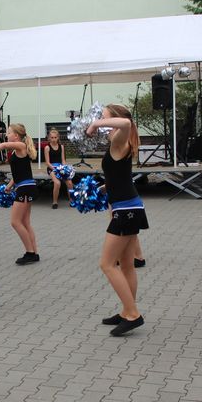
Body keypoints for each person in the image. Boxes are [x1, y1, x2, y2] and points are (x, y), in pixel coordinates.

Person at [87, 104, 147, 336]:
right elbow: (119, 175)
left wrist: (95, 124)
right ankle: (126, 311)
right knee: (127, 265)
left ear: (114, 119)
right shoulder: (119, 141)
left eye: (104, 118)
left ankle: (133, 314)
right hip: (130, 206)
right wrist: (103, 188)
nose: (101, 121)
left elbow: (126, 122)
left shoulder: (120, 138)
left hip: (125, 210)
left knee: (107, 264)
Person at [0, 124, 40, 265]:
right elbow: (19, 173)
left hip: (25, 189)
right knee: (25, 222)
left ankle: (30, 253)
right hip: (24, 187)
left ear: (16, 136)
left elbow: (4, 145)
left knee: (15, 222)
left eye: (9, 132)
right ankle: (34, 253)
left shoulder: (21, 146)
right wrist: (9, 186)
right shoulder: (17, 151)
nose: (6, 135)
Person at [44, 129, 73, 209]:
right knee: (57, 183)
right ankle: (55, 202)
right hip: (51, 167)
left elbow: (63, 160)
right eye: (52, 138)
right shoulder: (47, 147)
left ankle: (72, 200)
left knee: (70, 183)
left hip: (61, 167)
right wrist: (55, 169)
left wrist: (64, 168)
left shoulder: (61, 147)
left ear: (58, 138)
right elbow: (47, 162)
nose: (53, 139)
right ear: (49, 138)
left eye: (55, 137)